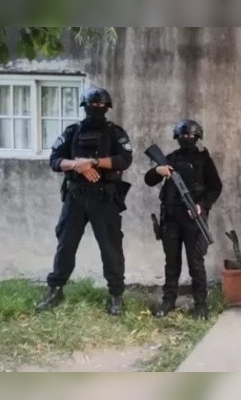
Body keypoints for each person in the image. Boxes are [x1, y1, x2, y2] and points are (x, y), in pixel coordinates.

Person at [36, 86, 133, 315]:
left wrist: (94, 162)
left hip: (104, 198)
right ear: (85, 106)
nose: (96, 107)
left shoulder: (115, 133)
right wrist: (77, 165)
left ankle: (116, 295)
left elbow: (125, 159)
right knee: (65, 245)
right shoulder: (72, 131)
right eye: (92, 104)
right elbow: (55, 160)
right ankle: (55, 290)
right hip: (75, 197)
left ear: (107, 107)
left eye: (100, 105)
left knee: (111, 248)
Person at [144, 119, 222, 320]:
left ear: (197, 137)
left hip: (194, 219)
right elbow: (149, 180)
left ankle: (201, 305)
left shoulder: (204, 160)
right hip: (171, 218)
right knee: (171, 263)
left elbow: (216, 187)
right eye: (183, 135)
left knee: (196, 263)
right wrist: (157, 171)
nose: (187, 138)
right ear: (177, 137)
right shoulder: (170, 159)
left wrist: (201, 205)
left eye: (190, 135)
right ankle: (168, 301)